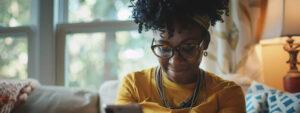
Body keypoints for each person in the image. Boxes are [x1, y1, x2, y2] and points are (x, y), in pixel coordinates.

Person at [115, 0, 246, 113]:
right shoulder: (133, 86)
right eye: (164, 48)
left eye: (188, 47)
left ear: (205, 42)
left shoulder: (228, 94)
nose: (175, 60)